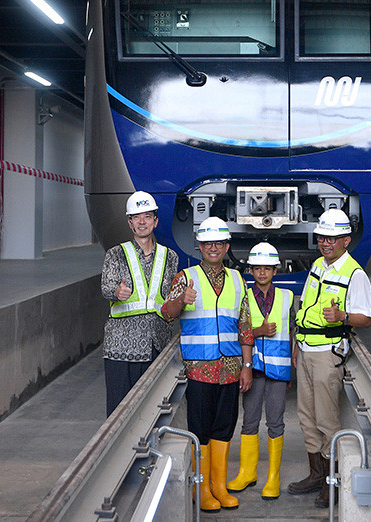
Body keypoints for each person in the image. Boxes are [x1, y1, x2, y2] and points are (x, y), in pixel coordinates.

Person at [161, 216, 255, 512]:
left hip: (230, 367)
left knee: (224, 427)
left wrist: (247, 365)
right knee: (199, 428)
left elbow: (245, 326)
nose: (213, 248)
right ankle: (200, 489)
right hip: (199, 369)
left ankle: (218, 485)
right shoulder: (185, 278)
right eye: (207, 243)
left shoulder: (238, 280)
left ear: (227, 246)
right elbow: (167, 313)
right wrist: (182, 300)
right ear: (199, 246)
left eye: (218, 243)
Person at [288, 208, 371, 508]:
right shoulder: (317, 267)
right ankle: (315, 474)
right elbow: (305, 308)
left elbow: (365, 318)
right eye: (323, 237)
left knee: (326, 419)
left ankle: (330, 482)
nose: (326, 243)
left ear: (346, 240)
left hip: (327, 354)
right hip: (307, 349)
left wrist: (342, 316)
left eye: (333, 238)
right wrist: (297, 345)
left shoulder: (355, 274)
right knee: (306, 417)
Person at [227, 242, 296, 500]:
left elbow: (292, 334)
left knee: (276, 423)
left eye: (267, 268)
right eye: (257, 268)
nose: (262, 273)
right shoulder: (243, 296)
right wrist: (258, 332)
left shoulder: (287, 298)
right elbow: (236, 332)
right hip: (253, 369)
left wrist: (291, 367)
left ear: (275, 271)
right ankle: (247, 472)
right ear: (251, 271)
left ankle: (273, 477)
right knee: (250, 421)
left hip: (278, 372)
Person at [100, 191, 178, 416]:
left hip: (156, 344)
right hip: (121, 349)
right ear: (130, 222)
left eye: (147, 216)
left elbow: (169, 298)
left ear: (156, 221)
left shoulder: (169, 256)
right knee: (118, 414)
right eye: (136, 217)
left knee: (152, 412)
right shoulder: (116, 254)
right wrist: (117, 291)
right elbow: (106, 287)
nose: (142, 222)